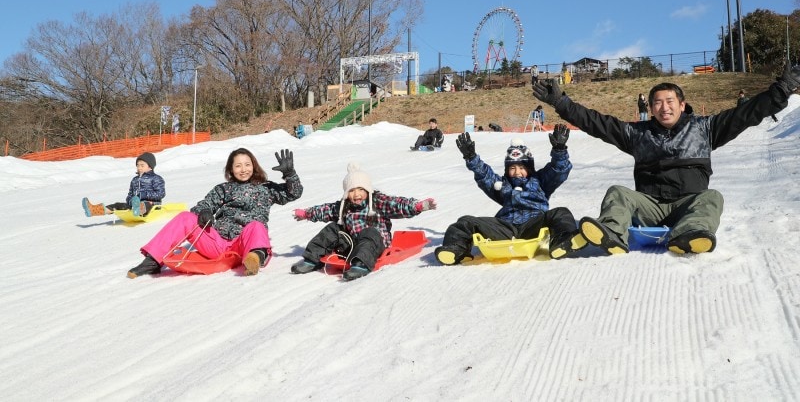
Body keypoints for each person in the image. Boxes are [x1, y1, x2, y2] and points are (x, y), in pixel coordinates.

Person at [532, 65, 800, 255]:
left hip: (688, 204)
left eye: (670, 101)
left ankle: (691, 233)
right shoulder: (637, 134)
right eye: (657, 103)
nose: (664, 107)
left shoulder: (706, 129)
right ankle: (612, 233)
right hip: (650, 206)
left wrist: (782, 90)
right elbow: (595, 122)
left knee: (713, 197)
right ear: (650, 108)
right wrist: (561, 102)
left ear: (682, 105)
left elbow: (748, 114)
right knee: (618, 193)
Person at [126, 148, 302, 278]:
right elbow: (205, 204)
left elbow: (293, 193)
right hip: (218, 242)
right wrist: (204, 212)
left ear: (254, 166)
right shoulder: (224, 189)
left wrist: (290, 174)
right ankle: (153, 260)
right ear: (231, 169)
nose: (243, 169)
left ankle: (255, 257)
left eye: (247, 165)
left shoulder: (266, 188)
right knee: (185, 217)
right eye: (238, 166)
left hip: (245, 243)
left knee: (256, 225)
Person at [434, 127, 583, 265]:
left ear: (529, 168)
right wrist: (471, 157)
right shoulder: (502, 184)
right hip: (506, 227)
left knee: (561, 213)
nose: (517, 172)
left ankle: (563, 240)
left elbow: (558, 170)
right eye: (512, 167)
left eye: (522, 167)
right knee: (465, 222)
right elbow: (485, 175)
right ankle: (456, 248)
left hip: (534, 224)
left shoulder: (540, 180)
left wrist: (559, 150)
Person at [290, 162, 436, 280]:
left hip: (375, 244)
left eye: (361, 189)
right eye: (352, 191)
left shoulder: (378, 201)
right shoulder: (343, 206)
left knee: (369, 231)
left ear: (367, 190)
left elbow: (397, 204)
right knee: (333, 228)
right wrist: (307, 214)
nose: (357, 194)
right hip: (353, 244)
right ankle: (312, 259)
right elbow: (325, 210)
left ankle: (361, 264)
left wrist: (417, 206)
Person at [82, 152, 165, 217]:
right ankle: (93, 210)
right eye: (138, 165)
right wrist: (131, 200)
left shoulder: (156, 178)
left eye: (142, 165)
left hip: (153, 206)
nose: (139, 167)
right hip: (134, 206)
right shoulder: (134, 180)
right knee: (118, 205)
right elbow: (129, 195)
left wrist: (144, 195)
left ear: (150, 167)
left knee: (146, 204)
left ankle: (139, 209)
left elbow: (161, 194)